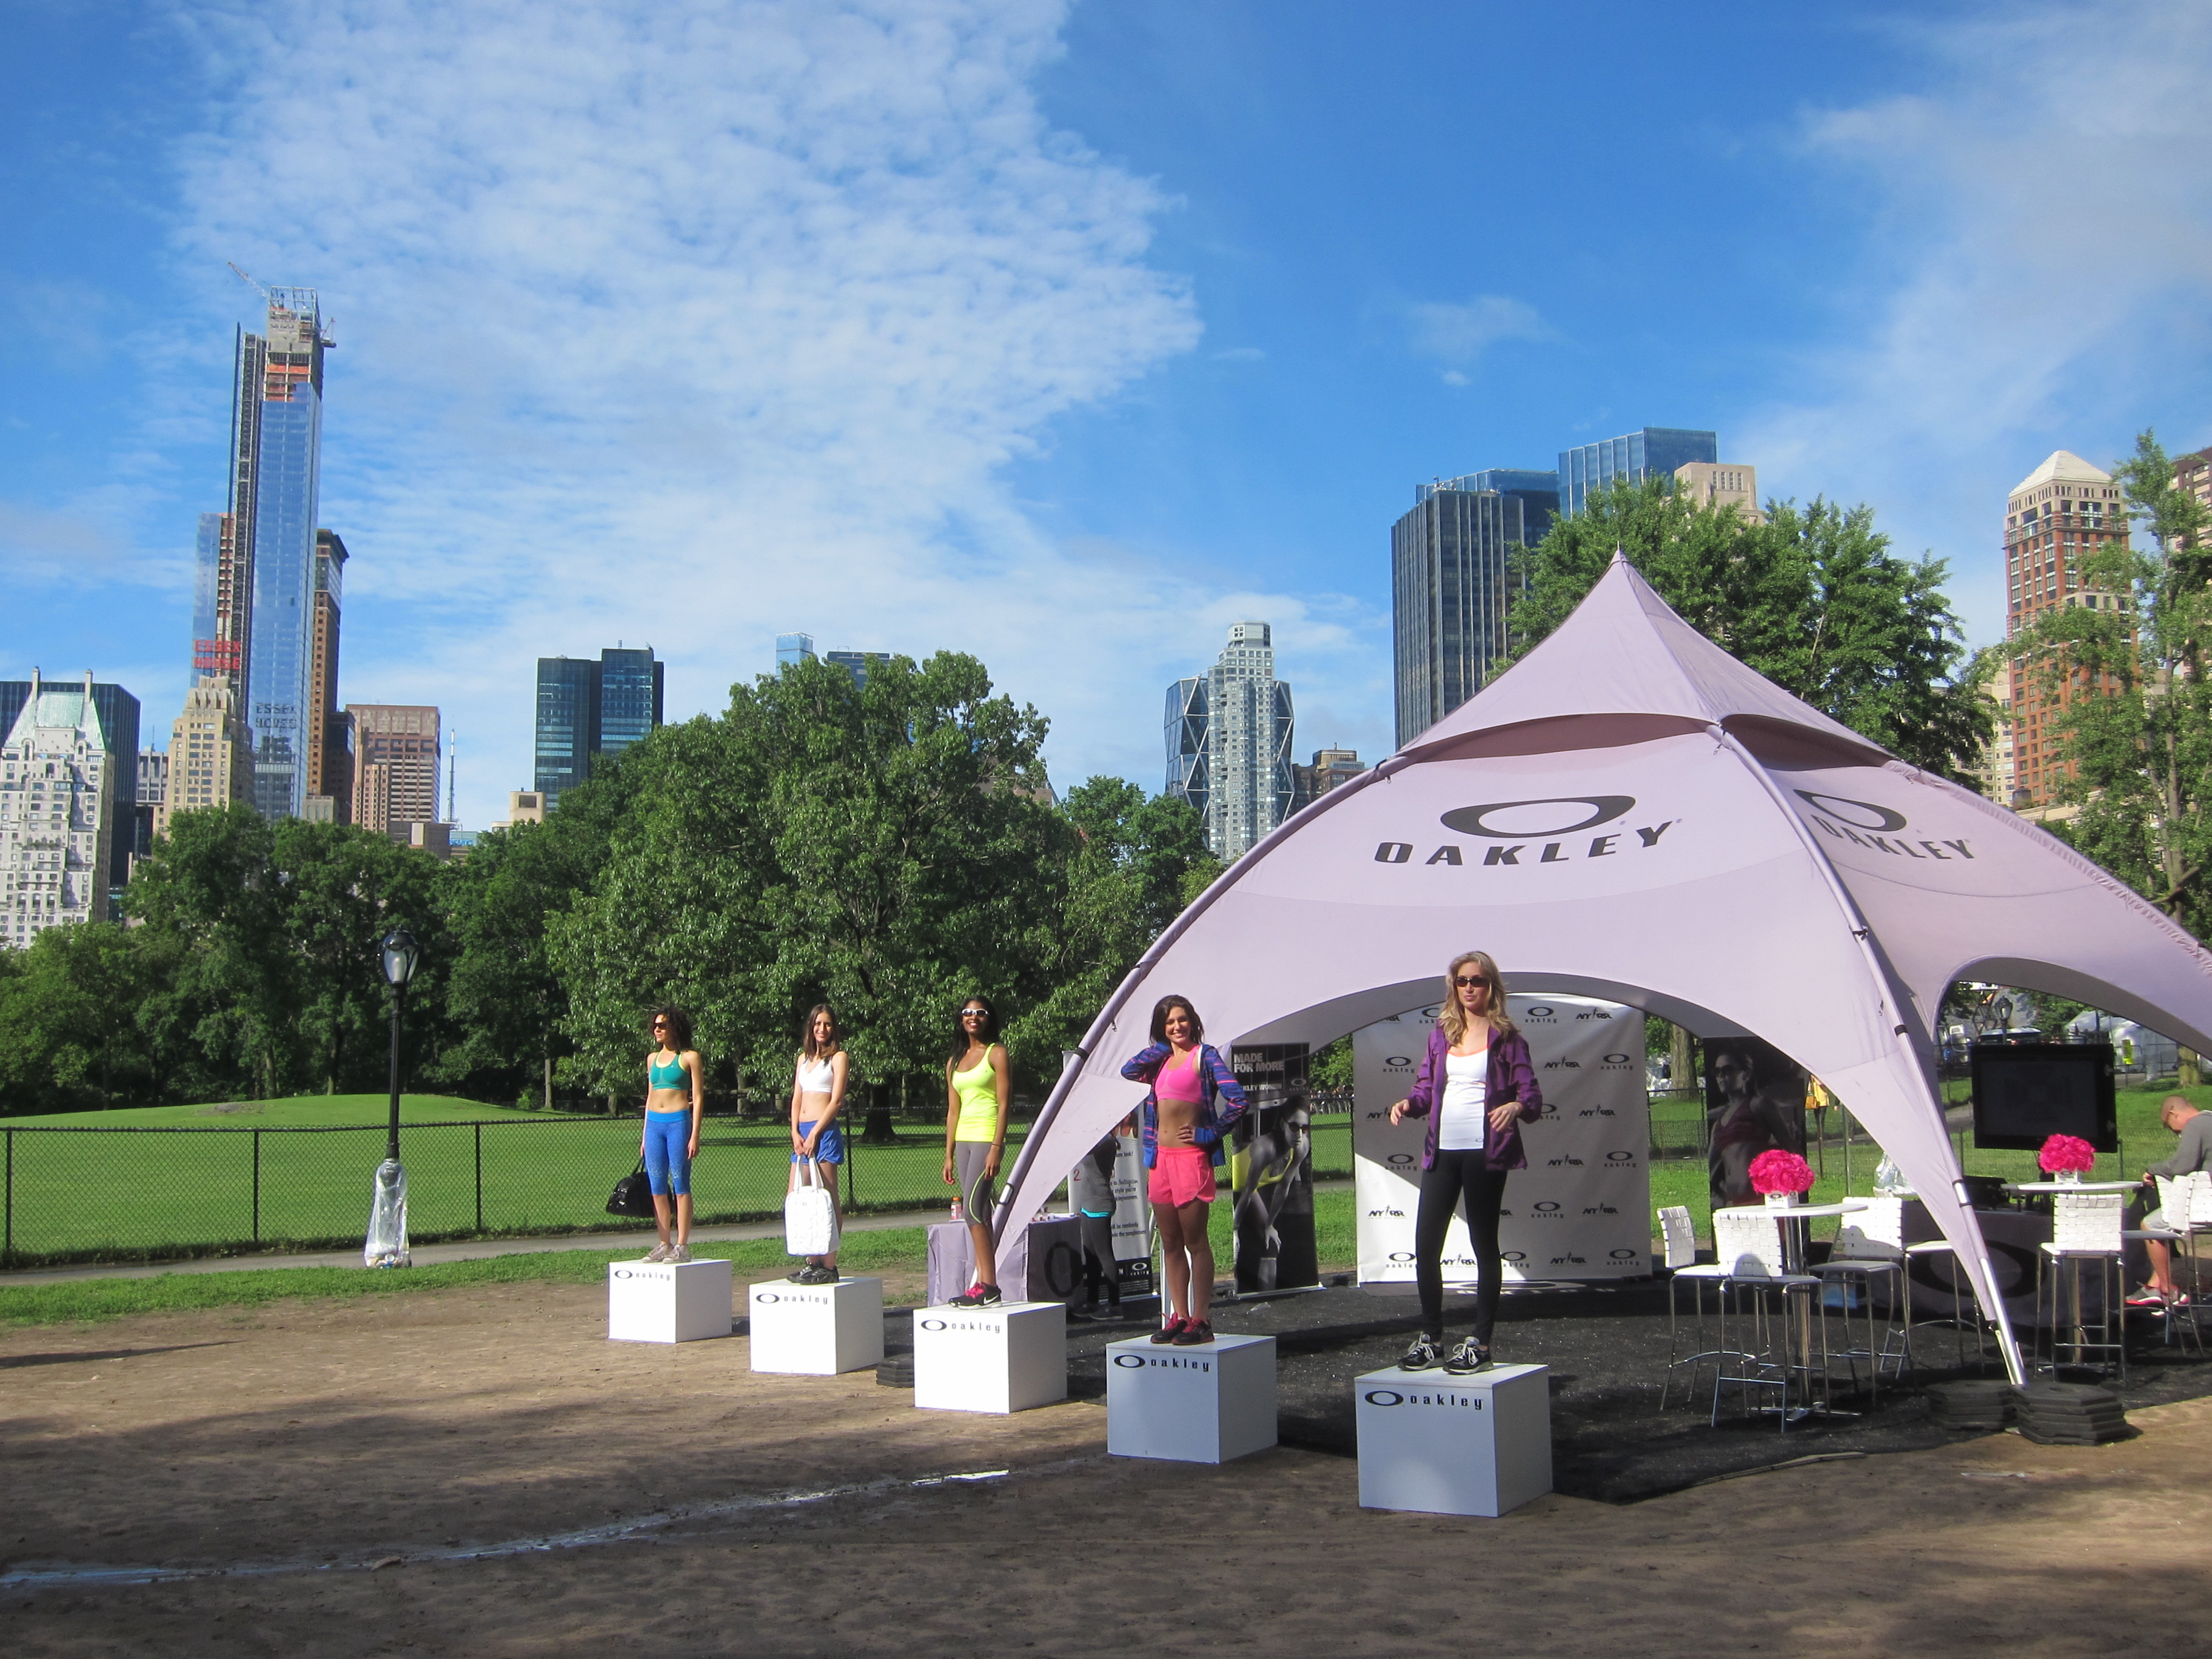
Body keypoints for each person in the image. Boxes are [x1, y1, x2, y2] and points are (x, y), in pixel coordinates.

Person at [1388, 951, 1543, 1374]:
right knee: (1425, 1246)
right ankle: (1431, 1339)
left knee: (1484, 1244)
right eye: (1462, 981)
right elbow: (1425, 1091)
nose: (1470, 988)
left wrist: (1514, 1107)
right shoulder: (1441, 1035)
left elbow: (1531, 1097)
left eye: (1477, 981)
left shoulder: (1508, 1038)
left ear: (1491, 986)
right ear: (1453, 987)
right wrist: (1408, 1104)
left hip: (1485, 1154)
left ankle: (1481, 1343)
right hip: (1442, 1151)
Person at [1122, 995, 1249, 1347]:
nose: (1177, 1027)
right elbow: (1129, 1070)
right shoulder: (1160, 1061)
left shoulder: (1205, 1056)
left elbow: (1238, 1100)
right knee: (1170, 1243)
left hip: (1190, 1159)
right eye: (1169, 1022)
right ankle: (1179, 1316)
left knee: (1196, 1242)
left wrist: (1210, 1133)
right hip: (1159, 1160)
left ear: (1192, 1021)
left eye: (1181, 1020)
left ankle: (1201, 1319)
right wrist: (1163, 1046)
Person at [942, 996, 1011, 1308]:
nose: (974, 1017)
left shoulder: (996, 1053)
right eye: (968, 1013)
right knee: (980, 1211)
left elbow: (1004, 1104)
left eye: (980, 1013)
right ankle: (986, 1283)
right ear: (961, 1019)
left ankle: (989, 1285)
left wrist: (996, 1146)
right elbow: (953, 1110)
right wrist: (948, 1154)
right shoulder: (954, 1062)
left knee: (971, 1210)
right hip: (964, 1140)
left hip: (986, 1137)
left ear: (988, 1018)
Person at [2125, 1094, 2212, 1307]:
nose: (2174, 1132)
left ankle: (2168, 1291)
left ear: (2174, 1114)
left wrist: (2152, 1170)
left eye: (2168, 1125)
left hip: (2205, 1206)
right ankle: (2154, 1285)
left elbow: (2182, 1165)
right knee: (2164, 1222)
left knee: (2150, 1225)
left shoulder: (2196, 1124)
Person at [786, 1003, 850, 1285]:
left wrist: (815, 1134)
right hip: (802, 1134)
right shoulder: (803, 1059)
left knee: (826, 1198)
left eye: (827, 1024)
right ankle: (812, 1261)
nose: (822, 1029)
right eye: (818, 1024)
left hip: (823, 1132)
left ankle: (829, 1264)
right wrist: (795, 1132)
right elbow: (796, 1098)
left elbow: (836, 1101)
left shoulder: (838, 1058)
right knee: (798, 1196)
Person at [640, 1007, 705, 1263]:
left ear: (675, 1028)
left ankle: (682, 1245)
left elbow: (697, 1097)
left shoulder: (689, 1057)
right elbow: (649, 1097)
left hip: (678, 1123)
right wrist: (645, 1135)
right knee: (657, 1187)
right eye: (655, 1025)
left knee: (680, 1185)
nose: (658, 1029)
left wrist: (695, 1134)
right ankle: (663, 1243)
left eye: (663, 1025)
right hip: (655, 1126)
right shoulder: (652, 1059)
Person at [1070, 1121, 1133, 1321]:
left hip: (1100, 1203)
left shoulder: (1105, 1141)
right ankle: (1093, 1301)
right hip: (1088, 1203)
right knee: (1090, 1254)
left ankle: (1115, 1305)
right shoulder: (1098, 1138)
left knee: (1104, 1254)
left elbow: (1083, 1147)